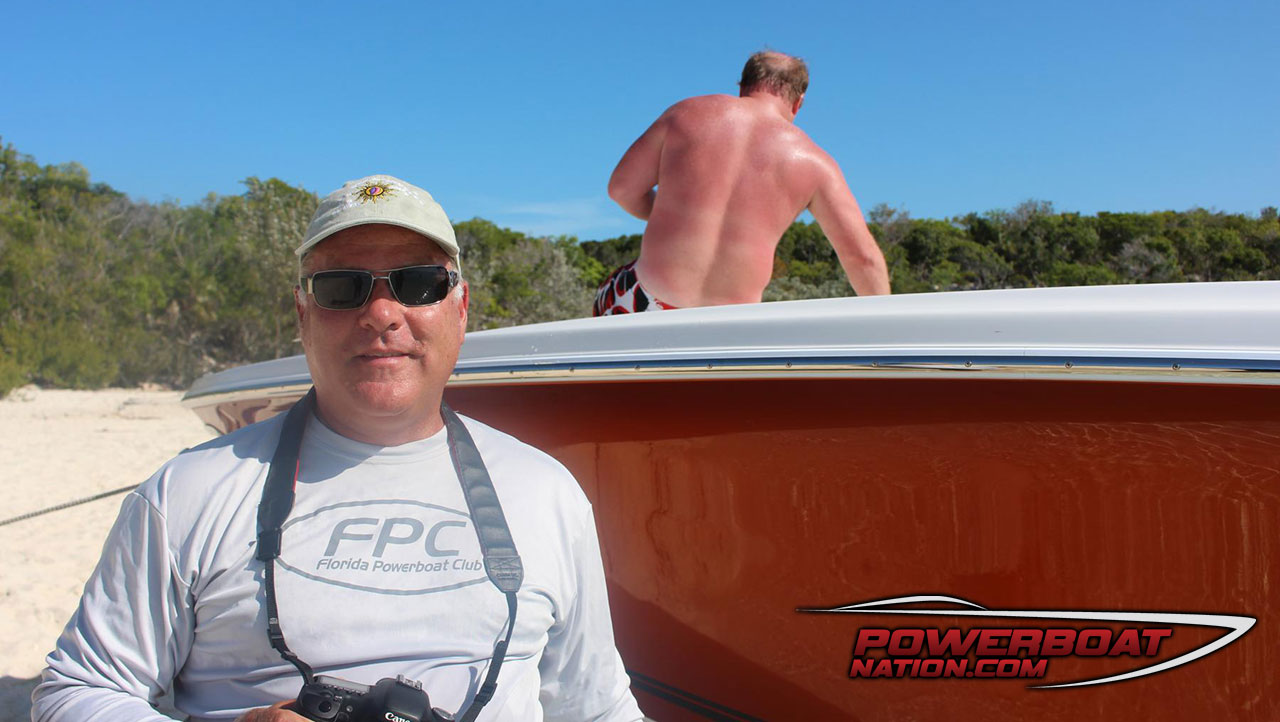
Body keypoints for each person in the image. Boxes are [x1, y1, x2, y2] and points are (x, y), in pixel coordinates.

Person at [32, 175, 644, 722]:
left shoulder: (547, 492)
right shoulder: (186, 492)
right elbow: (77, 688)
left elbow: (596, 708)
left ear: (460, 309)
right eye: (341, 287)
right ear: (302, 314)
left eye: (418, 283)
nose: (381, 313)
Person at [597, 50, 891, 315]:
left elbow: (621, 190)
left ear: (742, 88)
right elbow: (862, 259)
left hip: (647, 301)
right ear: (798, 103)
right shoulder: (817, 163)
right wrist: (887, 327)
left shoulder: (686, 114)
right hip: (732, 325)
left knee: (614, 287)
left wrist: (670, 215)